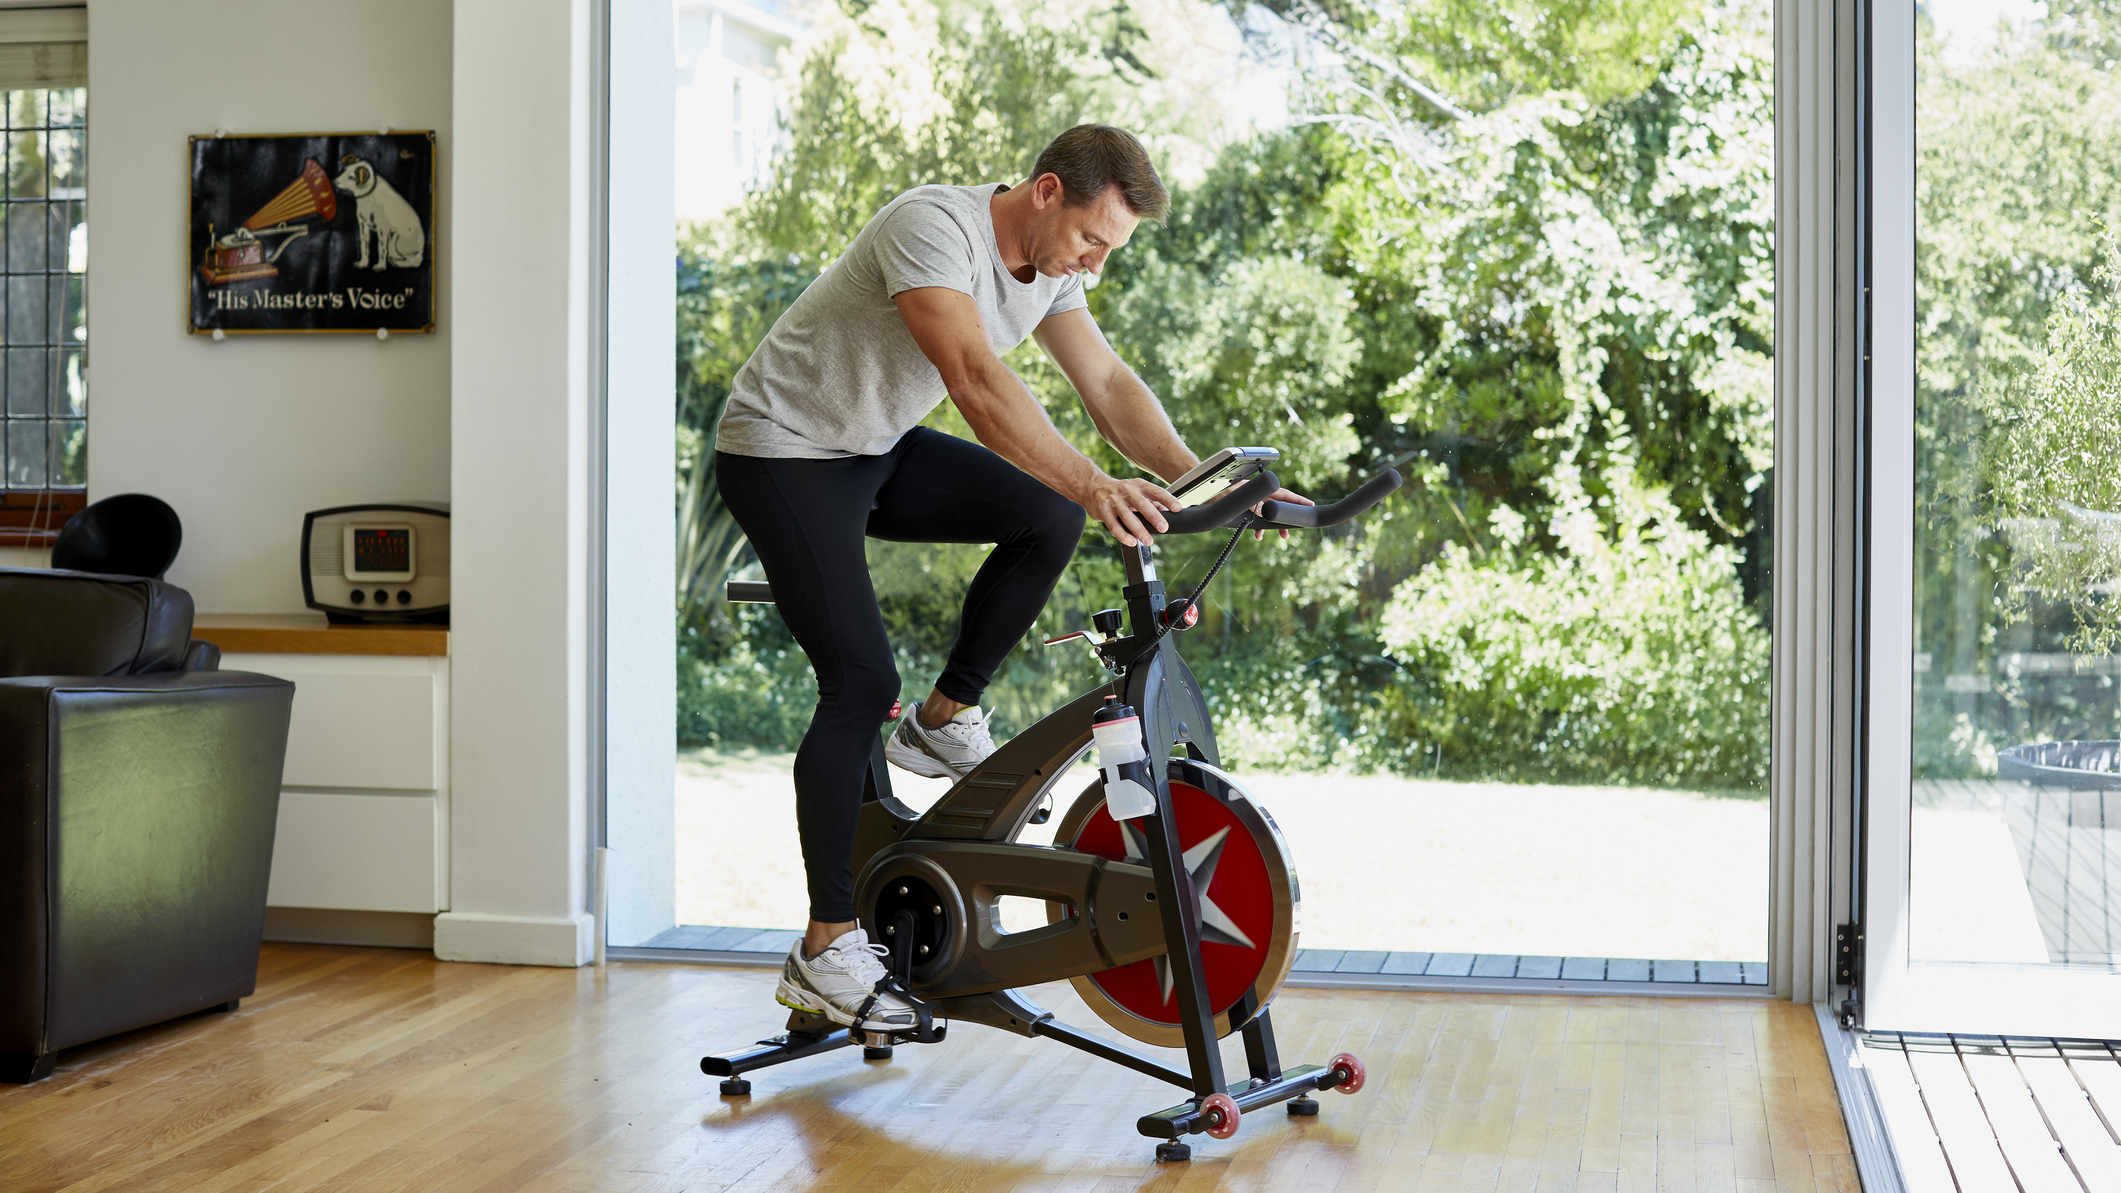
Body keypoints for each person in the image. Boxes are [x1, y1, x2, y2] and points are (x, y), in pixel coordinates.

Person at [714, 123, 1306, 1033]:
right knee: (859, 679)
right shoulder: (933, 230)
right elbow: (976, 381)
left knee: (1047, 515)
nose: (1093, 263)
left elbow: (1105, 384)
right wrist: (1097, 480)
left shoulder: (1056, 269)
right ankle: (826, 949)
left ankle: (943, 721)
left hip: (871, 448)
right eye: (1088, 239)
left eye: (1109, 251)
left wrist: (1204, 486)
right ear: (1043, 193)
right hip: (783, 452)